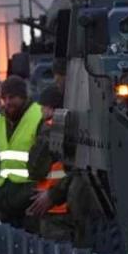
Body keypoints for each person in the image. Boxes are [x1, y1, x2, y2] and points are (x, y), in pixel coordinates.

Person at [0, 76, 43, 229]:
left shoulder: (38, 116)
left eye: (12, 97)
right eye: (4, 98)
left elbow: (46, 163)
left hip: (31, 202)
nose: (7, 102)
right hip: (6, 201)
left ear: (23, 97)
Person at [25, 86, 75, 242]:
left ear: (49, 108)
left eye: (42, 108)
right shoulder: (72, 126)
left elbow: (35, 168)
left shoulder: (50, 130)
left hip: (51, 205)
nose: (41, 112)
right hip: (67, 202)